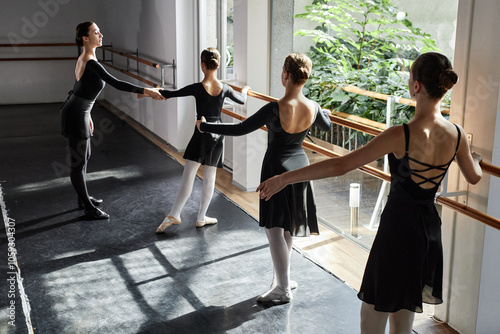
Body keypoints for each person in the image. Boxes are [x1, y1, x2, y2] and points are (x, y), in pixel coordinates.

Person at [257, 52, 483, 332]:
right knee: (404, 315)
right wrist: (476, 160)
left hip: (397, 229)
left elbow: (341, 165)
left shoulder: (400, 134)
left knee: (371, 317)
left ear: (416, 87)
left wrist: (284, 179)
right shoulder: (457, 134)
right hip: (428, 232)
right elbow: (474, 176)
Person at [196, 53, 332, 304]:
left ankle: (282, 288)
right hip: (300, 167)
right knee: (287, 225)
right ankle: (283, 279)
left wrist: (206, 127)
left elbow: (239, 129)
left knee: (273, 230)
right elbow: (327, 126)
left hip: (276, 169)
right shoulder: (313, 107)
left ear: (286, 75)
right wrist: (325, 112)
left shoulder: (275, 108)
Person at [60, 22, 165, 220]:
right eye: (95, 32)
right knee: (78, 162)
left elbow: (81, 88)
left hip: (80, 111)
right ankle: (88, 208)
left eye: (99, 31)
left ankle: (83, 199)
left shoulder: (86, 57)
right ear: (85, 38)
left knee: (85, 157)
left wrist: (88, 114)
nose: (101, 34)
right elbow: (117, 83)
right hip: (75, 113)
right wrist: (147, 90)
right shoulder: (90, 61)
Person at [152, 47, 250, 232]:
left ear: (202, 65)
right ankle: (201, 216)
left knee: (189, 175)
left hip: (202, 131)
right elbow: (242, 100)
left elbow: (171, 93)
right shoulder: (225, 88)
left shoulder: (198, 88)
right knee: (210, 177)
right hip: (218, 134)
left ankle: (175, 214)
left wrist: (154, 91)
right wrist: (245, 90)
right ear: (218, 65)